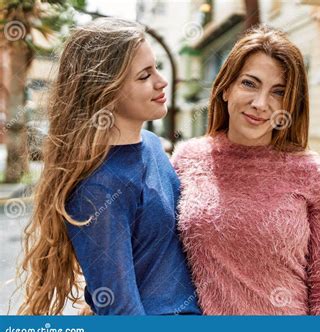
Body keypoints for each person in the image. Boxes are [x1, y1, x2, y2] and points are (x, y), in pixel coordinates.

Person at [17, 18, 200, 315]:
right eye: (144, 76)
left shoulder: (153, 144)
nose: (160, 82)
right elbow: (120, 311)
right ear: (105, 91)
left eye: (156, 69)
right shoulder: (99, 188)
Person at [171, 25, 320, 315]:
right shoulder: (187, 159)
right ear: (226, 88)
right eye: (249, 84)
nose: (260, 104)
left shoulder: (314, 174)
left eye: (278, 92)